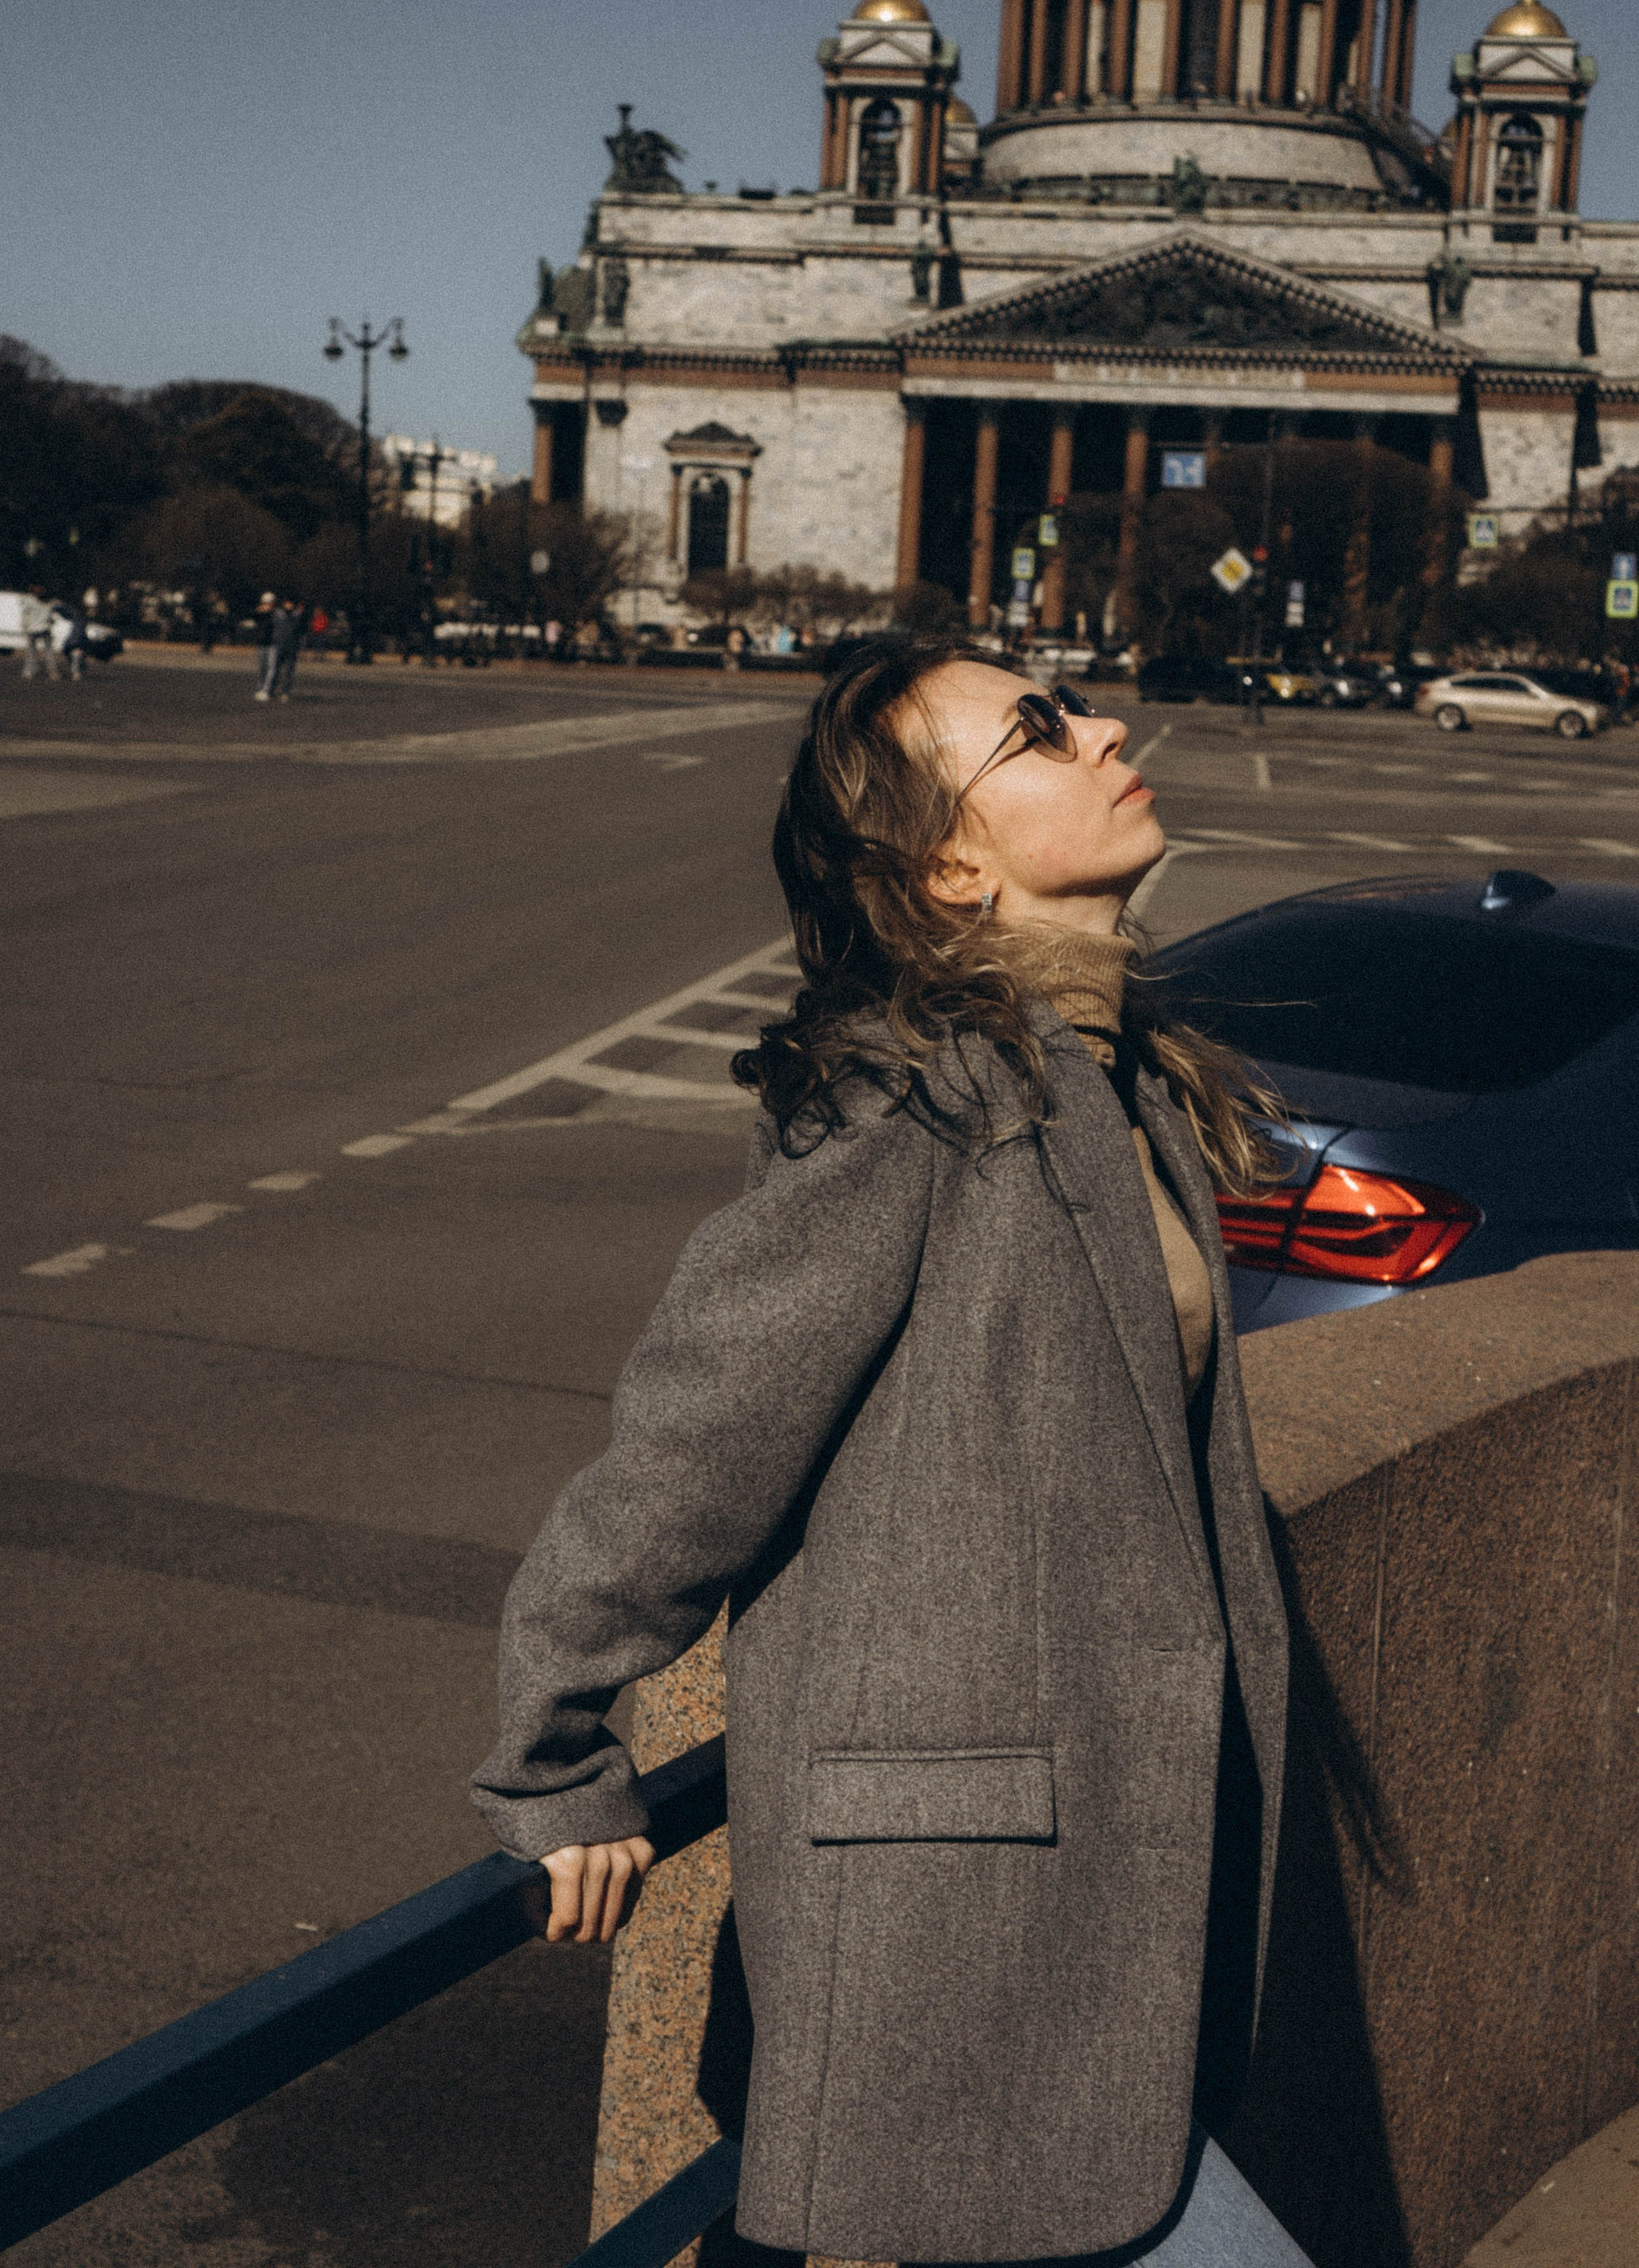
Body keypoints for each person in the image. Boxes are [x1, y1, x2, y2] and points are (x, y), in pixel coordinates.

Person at [473, 634, 1306, 2267]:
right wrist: (553, 1751)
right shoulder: (909, 1102)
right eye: (1040, 729)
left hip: (1093, 1871)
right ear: (947, 861)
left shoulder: (1106, 1081)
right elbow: (692, 1441)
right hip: (959, 1901)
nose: (1105, 726)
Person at [252, 593, 279, 700]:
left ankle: (267, 690)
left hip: (273, 644)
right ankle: (260, 687)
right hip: (261, 643)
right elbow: (253, 619)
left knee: (271, 668)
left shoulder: (276, 614)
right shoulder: (260, 613)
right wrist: (259, 612)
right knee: (262, 667)